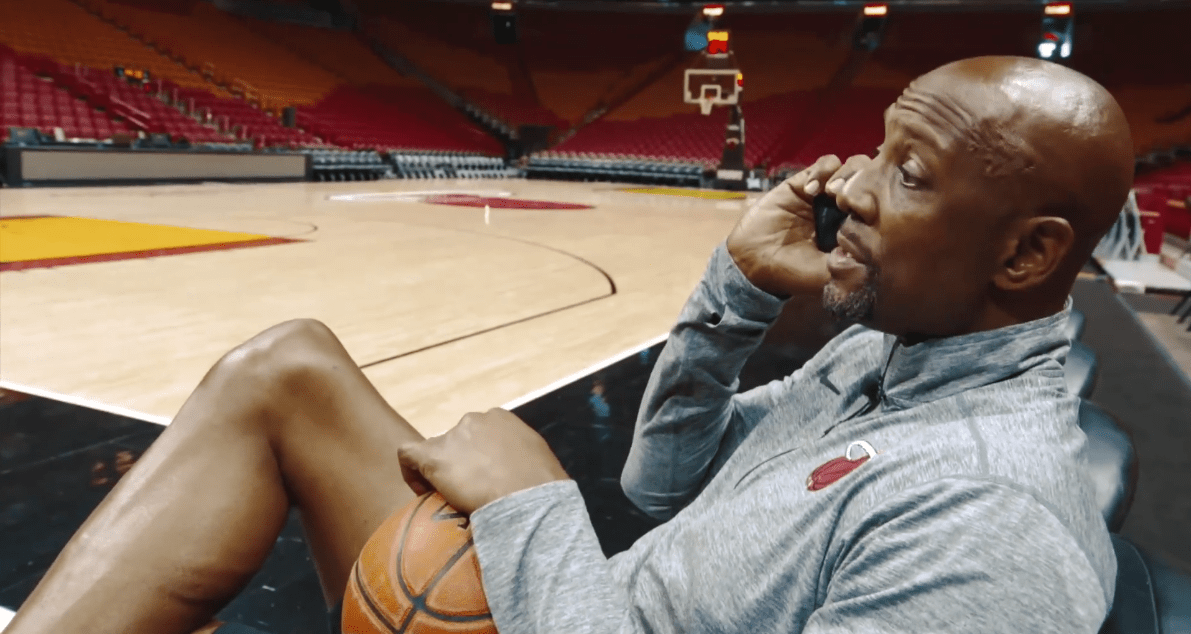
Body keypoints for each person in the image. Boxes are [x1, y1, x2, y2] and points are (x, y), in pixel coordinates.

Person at [6, 55, 1134, 634]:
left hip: (560, 600)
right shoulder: (881, 356)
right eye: (878, 150)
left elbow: (594, 516)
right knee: (290, 367)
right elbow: (661, 483)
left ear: (1026, 255)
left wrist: (528, 510)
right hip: (579, 599)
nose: (852, 186)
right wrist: (735, 298)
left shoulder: (992, 525)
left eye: (911, 174)